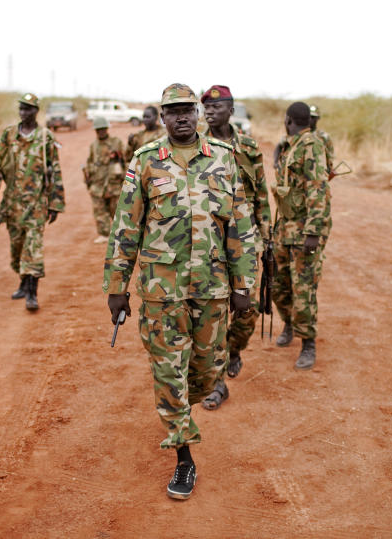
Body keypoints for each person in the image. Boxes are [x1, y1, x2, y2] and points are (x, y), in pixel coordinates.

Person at [104, 83, 256, 500]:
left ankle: (181, 408)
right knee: (170, 371)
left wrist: (245, 284)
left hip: (212, 288)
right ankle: (183, 456)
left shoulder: (224, 160)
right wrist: (117, 287)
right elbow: (125, 227)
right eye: (172, 112)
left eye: (187, 110)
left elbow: (240, 227)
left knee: (207, 372)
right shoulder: (146, 161)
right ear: (163, 116)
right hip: (161, 290)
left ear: (198, 113)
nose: (181, 118)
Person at [199, 84, 270, 410]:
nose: (210, 112)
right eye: (206, 108)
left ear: (231, 109)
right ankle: (216, 384)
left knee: (247, 309)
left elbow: (260, 195)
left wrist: (266, 236)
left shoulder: (249, 147)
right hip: (208, 242)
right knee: (212, 312)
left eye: (217, 107)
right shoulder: (195, 146)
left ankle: (235, 348)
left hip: (245, 238)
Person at [0, 92, 64, 311]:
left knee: (33, 249)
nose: (23, 112)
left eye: (28, 108)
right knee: (17, 250)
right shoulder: (9, 135)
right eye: (21, 108)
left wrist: (55, 202)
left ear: (36, 111)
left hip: (36, 204)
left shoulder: (45, 136)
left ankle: (32, 293)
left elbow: (54, 170)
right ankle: (22, 283)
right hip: (12, 204)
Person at [271, 102, 331, 367]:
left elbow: (318, 189)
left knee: (303, 288)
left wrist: (314, 232)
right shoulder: (290, 145)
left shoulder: (312, 146)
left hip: (304, 229)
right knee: (278, 285)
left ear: (288, 120)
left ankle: (308, 344)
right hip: (284, 228)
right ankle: (289, 325)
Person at [84, 116, 126, 242]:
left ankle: (121, 234)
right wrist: (89, 180)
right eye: (98, 130)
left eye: (103, 129)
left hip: (114, 184)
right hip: (98, 185)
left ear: (107, 129)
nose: (101, 132)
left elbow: (125, 160)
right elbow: (90, 163)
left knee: (117, 210)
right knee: (99, 211)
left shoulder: (116, 142)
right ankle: (104, 234)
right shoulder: (93, 146)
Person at [309, 105, 335, 179]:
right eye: (309, 116)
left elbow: (330, 155)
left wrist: (328, 171)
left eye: (313, 117)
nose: (310, 119)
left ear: (318, 118)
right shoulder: (298, 135)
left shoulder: (324, 137)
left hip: (318, 175)